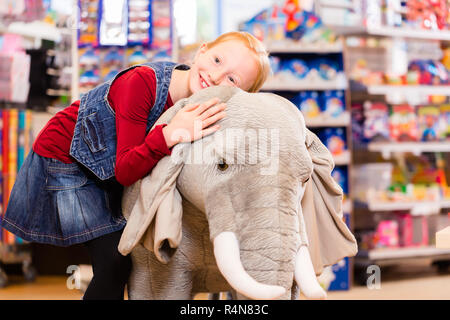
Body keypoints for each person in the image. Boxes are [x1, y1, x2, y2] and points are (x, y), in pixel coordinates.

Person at [0, 31, 271, 300]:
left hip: (106, 169)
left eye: (232, 80)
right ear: (201, 51)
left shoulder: (208, 107)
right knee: (115, 261)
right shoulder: (141, 83)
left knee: (129, 258)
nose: (215, 76)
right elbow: (126, 169)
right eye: (217, 60)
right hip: (67, 160)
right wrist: (170, 133)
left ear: (242, 96)